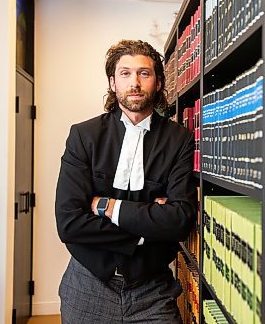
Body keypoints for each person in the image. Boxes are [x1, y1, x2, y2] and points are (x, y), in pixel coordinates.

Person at [55, 39, 197, 323]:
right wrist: (148, 228)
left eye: (144, 73)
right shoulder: (84, 136)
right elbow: (69, 223)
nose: (135, 82)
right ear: (112, 83)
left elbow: (179, 220)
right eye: (125, 73)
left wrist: (106, 207)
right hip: (88, 285)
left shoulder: (179, 140)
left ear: (158, 83)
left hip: (153, 289)